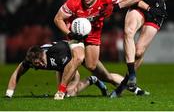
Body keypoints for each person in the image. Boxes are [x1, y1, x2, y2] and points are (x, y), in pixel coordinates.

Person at [53, 0, 150, 99]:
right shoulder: (74, 1)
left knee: (96, 69)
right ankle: (61, 91)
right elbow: (58, 19)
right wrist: (69, 33)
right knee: (79, 57)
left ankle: (133, 88)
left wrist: (148, 8)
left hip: (94, 34)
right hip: (75, 32)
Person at [96, 0, 167, 97]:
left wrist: (115, 7)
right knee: (128, 31)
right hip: (139, 4)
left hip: (155, 7)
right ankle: (132, 76)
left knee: (139, 51)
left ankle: (123, 85)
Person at [5, 40, 148, 98]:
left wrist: (63, 88)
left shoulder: (57, 51)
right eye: (37, 65)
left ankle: (134, 88)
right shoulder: (31, 60)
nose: (41, 65)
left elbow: (74, 64)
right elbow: (17, 73)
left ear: (43, 54)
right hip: (63, 66)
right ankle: (92, 80)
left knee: (107, 77)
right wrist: (9, 94)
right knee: (69, 94)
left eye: (41, 61)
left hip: (78, 57)